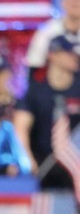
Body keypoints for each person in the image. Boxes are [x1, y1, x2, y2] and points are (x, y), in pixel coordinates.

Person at [14, 35, 80, 190]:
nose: (75, 58)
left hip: (76, 162)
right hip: (44, 162)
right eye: (69, 53)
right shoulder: (36, 90)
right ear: (53, 55)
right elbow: (20, 127)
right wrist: (27, 159)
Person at [25, 0, 80, 78]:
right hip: (52, 84)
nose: (76, 2)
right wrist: (53, 57)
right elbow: (34, 63)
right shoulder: (47, 31)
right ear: (63, 2)